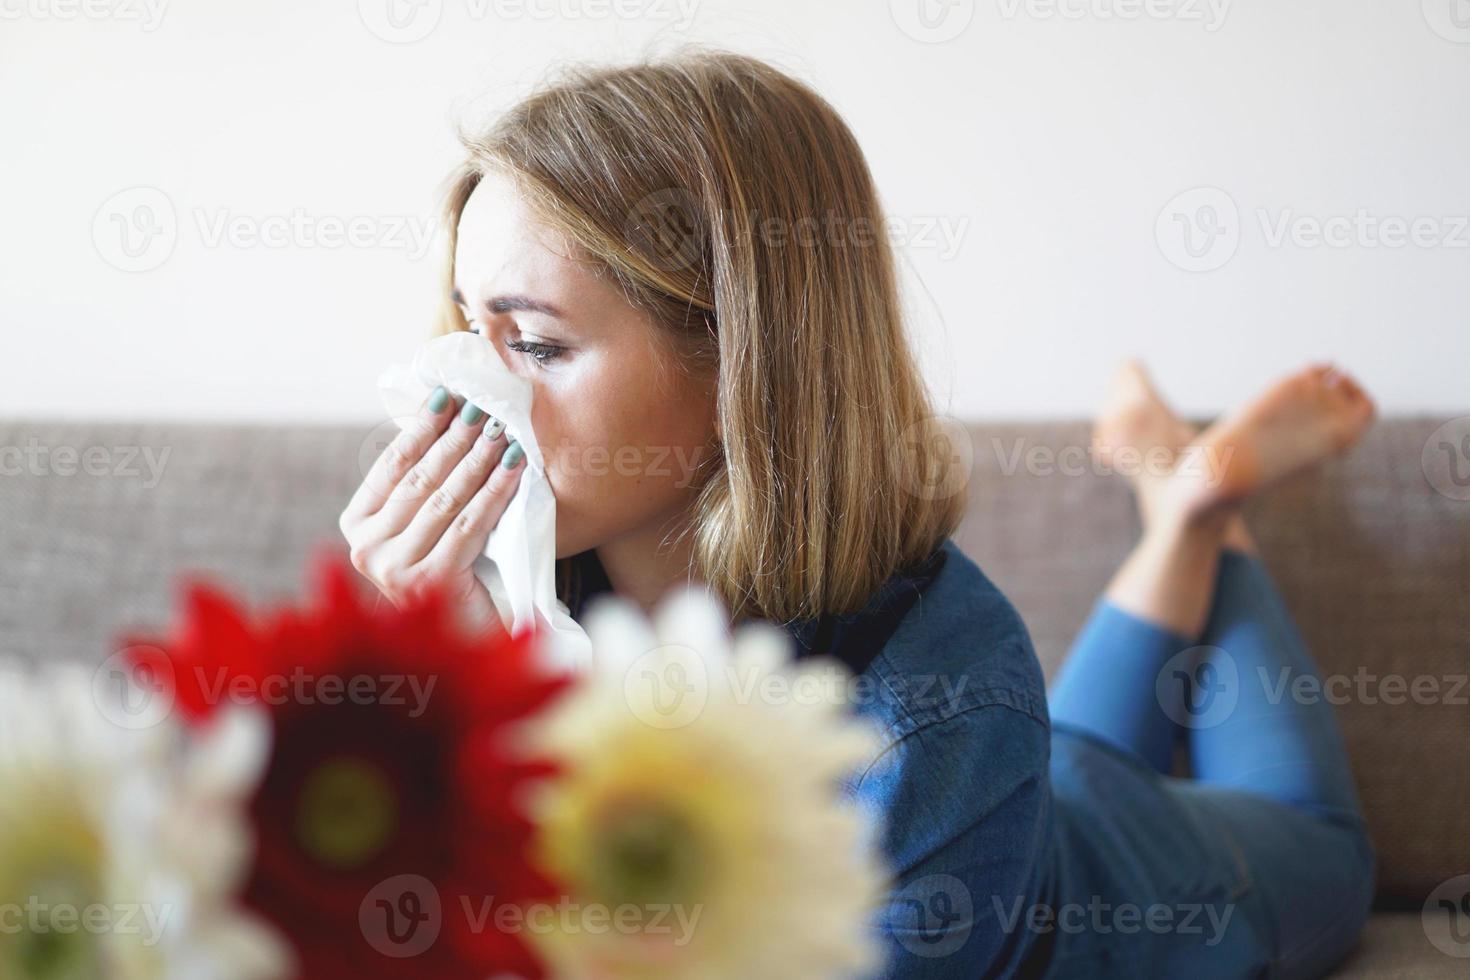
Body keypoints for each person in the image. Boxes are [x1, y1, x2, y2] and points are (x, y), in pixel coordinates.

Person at [338, 51, 1376, 978]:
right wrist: (428, 664)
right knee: (1074, 746)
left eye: (536, 345)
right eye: (467, 329)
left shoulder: (942, 717)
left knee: (1326, 841)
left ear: (743, 360)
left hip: (1149, 873)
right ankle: (1179, 506)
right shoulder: (547, 592)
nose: (462, 392)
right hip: (1048, 770)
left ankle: (1199, 506)